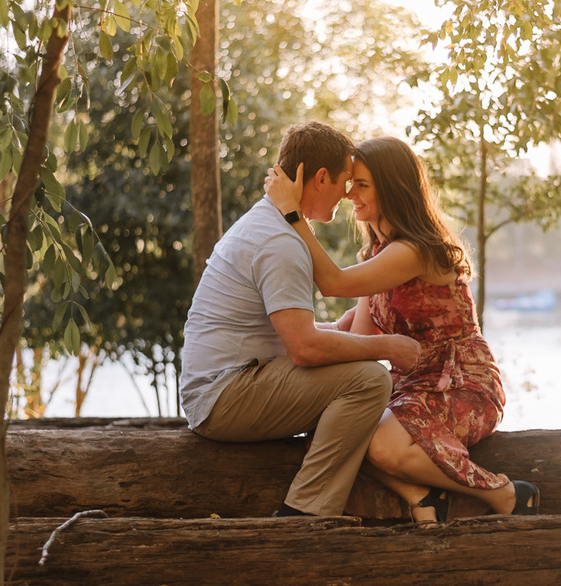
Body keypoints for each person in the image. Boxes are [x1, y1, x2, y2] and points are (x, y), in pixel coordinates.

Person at [265, 135, 540, 523]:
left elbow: (334, 283)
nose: (349, 195)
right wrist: (287, 341)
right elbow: (359, 339)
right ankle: (423, 495)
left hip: (462, 382)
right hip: (410, 388)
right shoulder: (377, 254)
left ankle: (504, 492)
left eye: (361, 185)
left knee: (382, 446)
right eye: (349, 184)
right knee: (332, 430)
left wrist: (293, 213)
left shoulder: (414, 251)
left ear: (391, 188)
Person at [179, 122, 421, 517]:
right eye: (345, 183)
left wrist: (332, 330)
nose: (346, 196)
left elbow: (282, 331)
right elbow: (304, 348)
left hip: (221, 386)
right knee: (369, 379)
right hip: (222, 397)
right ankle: (306, 512)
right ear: (321, 177)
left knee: (357, 369)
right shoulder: (280, 242)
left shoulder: (268, 224)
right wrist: (386, 346)